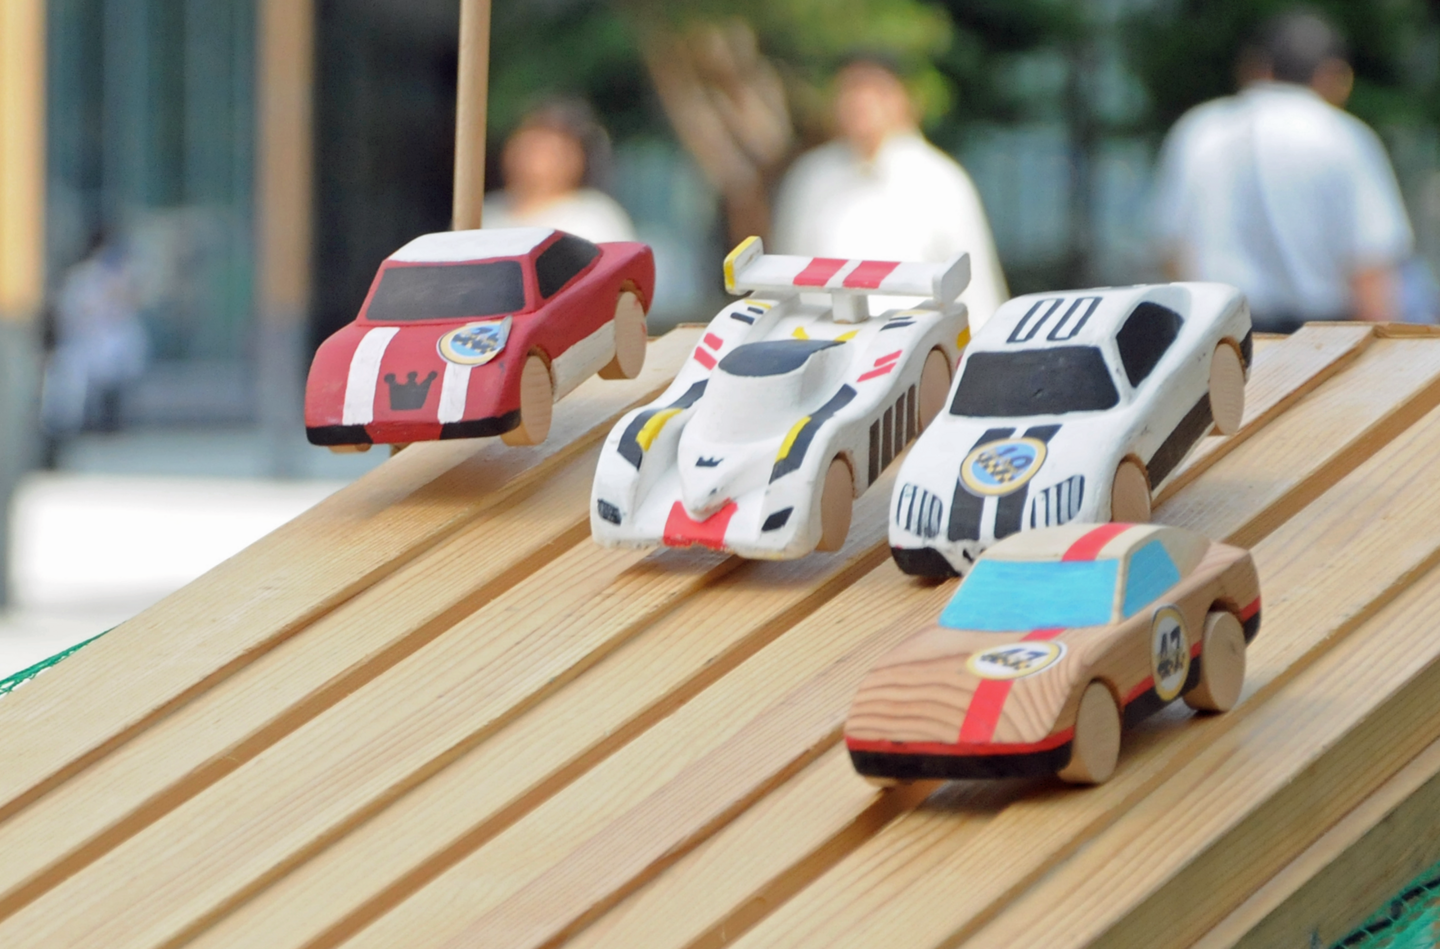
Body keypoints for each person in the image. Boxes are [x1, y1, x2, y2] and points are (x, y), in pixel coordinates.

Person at [1152, 10, 1414, 332]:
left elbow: (1172, 250)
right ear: (1336, 75)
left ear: (1256, 67)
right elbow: (1370, 267)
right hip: (1320, 339)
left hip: (1220, 337)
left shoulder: (1201, 130)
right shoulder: (1344, 138)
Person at [770, 55, 1008, 328]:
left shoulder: (940, 181)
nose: (860, 103)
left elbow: (975, 292)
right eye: (850, 90)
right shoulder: (811, 177)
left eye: (875, 91)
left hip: (915, 347)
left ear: (905, 100)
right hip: (819, 343)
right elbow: (783, 281)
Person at [483, 99, 637, 244]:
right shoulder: (486, 213)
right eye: (527, 145)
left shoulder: (595, 218)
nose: (533, 157)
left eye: (548, 150)